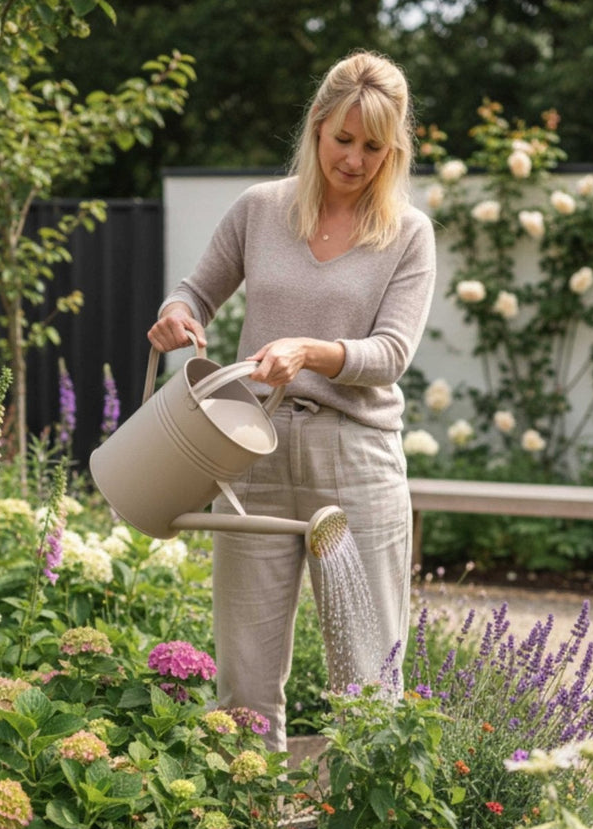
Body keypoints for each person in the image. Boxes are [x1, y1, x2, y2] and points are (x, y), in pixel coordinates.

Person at [146, 50, 436, 752]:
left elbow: (391, 355)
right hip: (251, 452)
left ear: (394, 150)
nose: (355, 160)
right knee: (244, 678)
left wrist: (310, 351)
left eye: (375, 147)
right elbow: (195, 291)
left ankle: (358, 819)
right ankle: (253, 814)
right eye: (344, 139)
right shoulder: (260, 209)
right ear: (317, 126)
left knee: (367, 680)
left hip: (355, 460)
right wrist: (176, 315)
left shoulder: (407, 233)